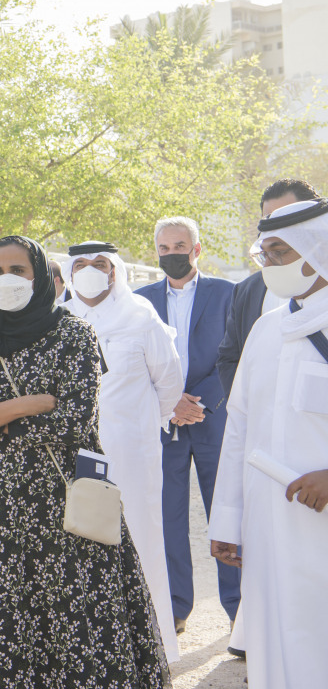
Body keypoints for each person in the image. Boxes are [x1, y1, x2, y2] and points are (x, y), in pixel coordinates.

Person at [0, 235, 170, 688]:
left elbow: (75, 420)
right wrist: (27, 405)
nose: (7, 280)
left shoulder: (74, 334)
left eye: (18, 270)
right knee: (10, 614)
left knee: (77, 613)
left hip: (63, 500)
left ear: (39, 276)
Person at [209, 197, 328, 689]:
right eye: (266, 254)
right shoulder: (265, 328)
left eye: (280, 253)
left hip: (319, 522)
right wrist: (226, 521)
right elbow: (238, 430)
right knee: (275, 643)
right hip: (268, 518)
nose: (272, 266)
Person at [62, 241, 184, 662]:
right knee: (80, 541)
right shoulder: (59, 320)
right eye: (81, 265)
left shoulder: (140, 315)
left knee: (139, 537)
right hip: (74, 455)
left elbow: (169, 382)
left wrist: (140, 425)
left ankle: (150, 646)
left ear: (114, 272)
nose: (90, 271)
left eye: (99, 264)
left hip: (132, 452)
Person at [135, 217, 239, 633]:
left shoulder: (229, 294)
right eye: (164, 248)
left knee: (227, 513)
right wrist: (170, 402)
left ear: (197, 249)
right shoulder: (140, 301)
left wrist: (199, 404)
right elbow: (136, 360)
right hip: (165, 423)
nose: (172, 254)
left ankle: (238, 608)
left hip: (215, 420)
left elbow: (235, 353)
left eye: (180, 246)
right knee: (168, 516)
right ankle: (175, 607)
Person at [218, 179, 323, 397]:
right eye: (268, 219)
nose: (275, 227)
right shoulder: (247, 291)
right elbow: (230, 357)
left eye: (286, 216)